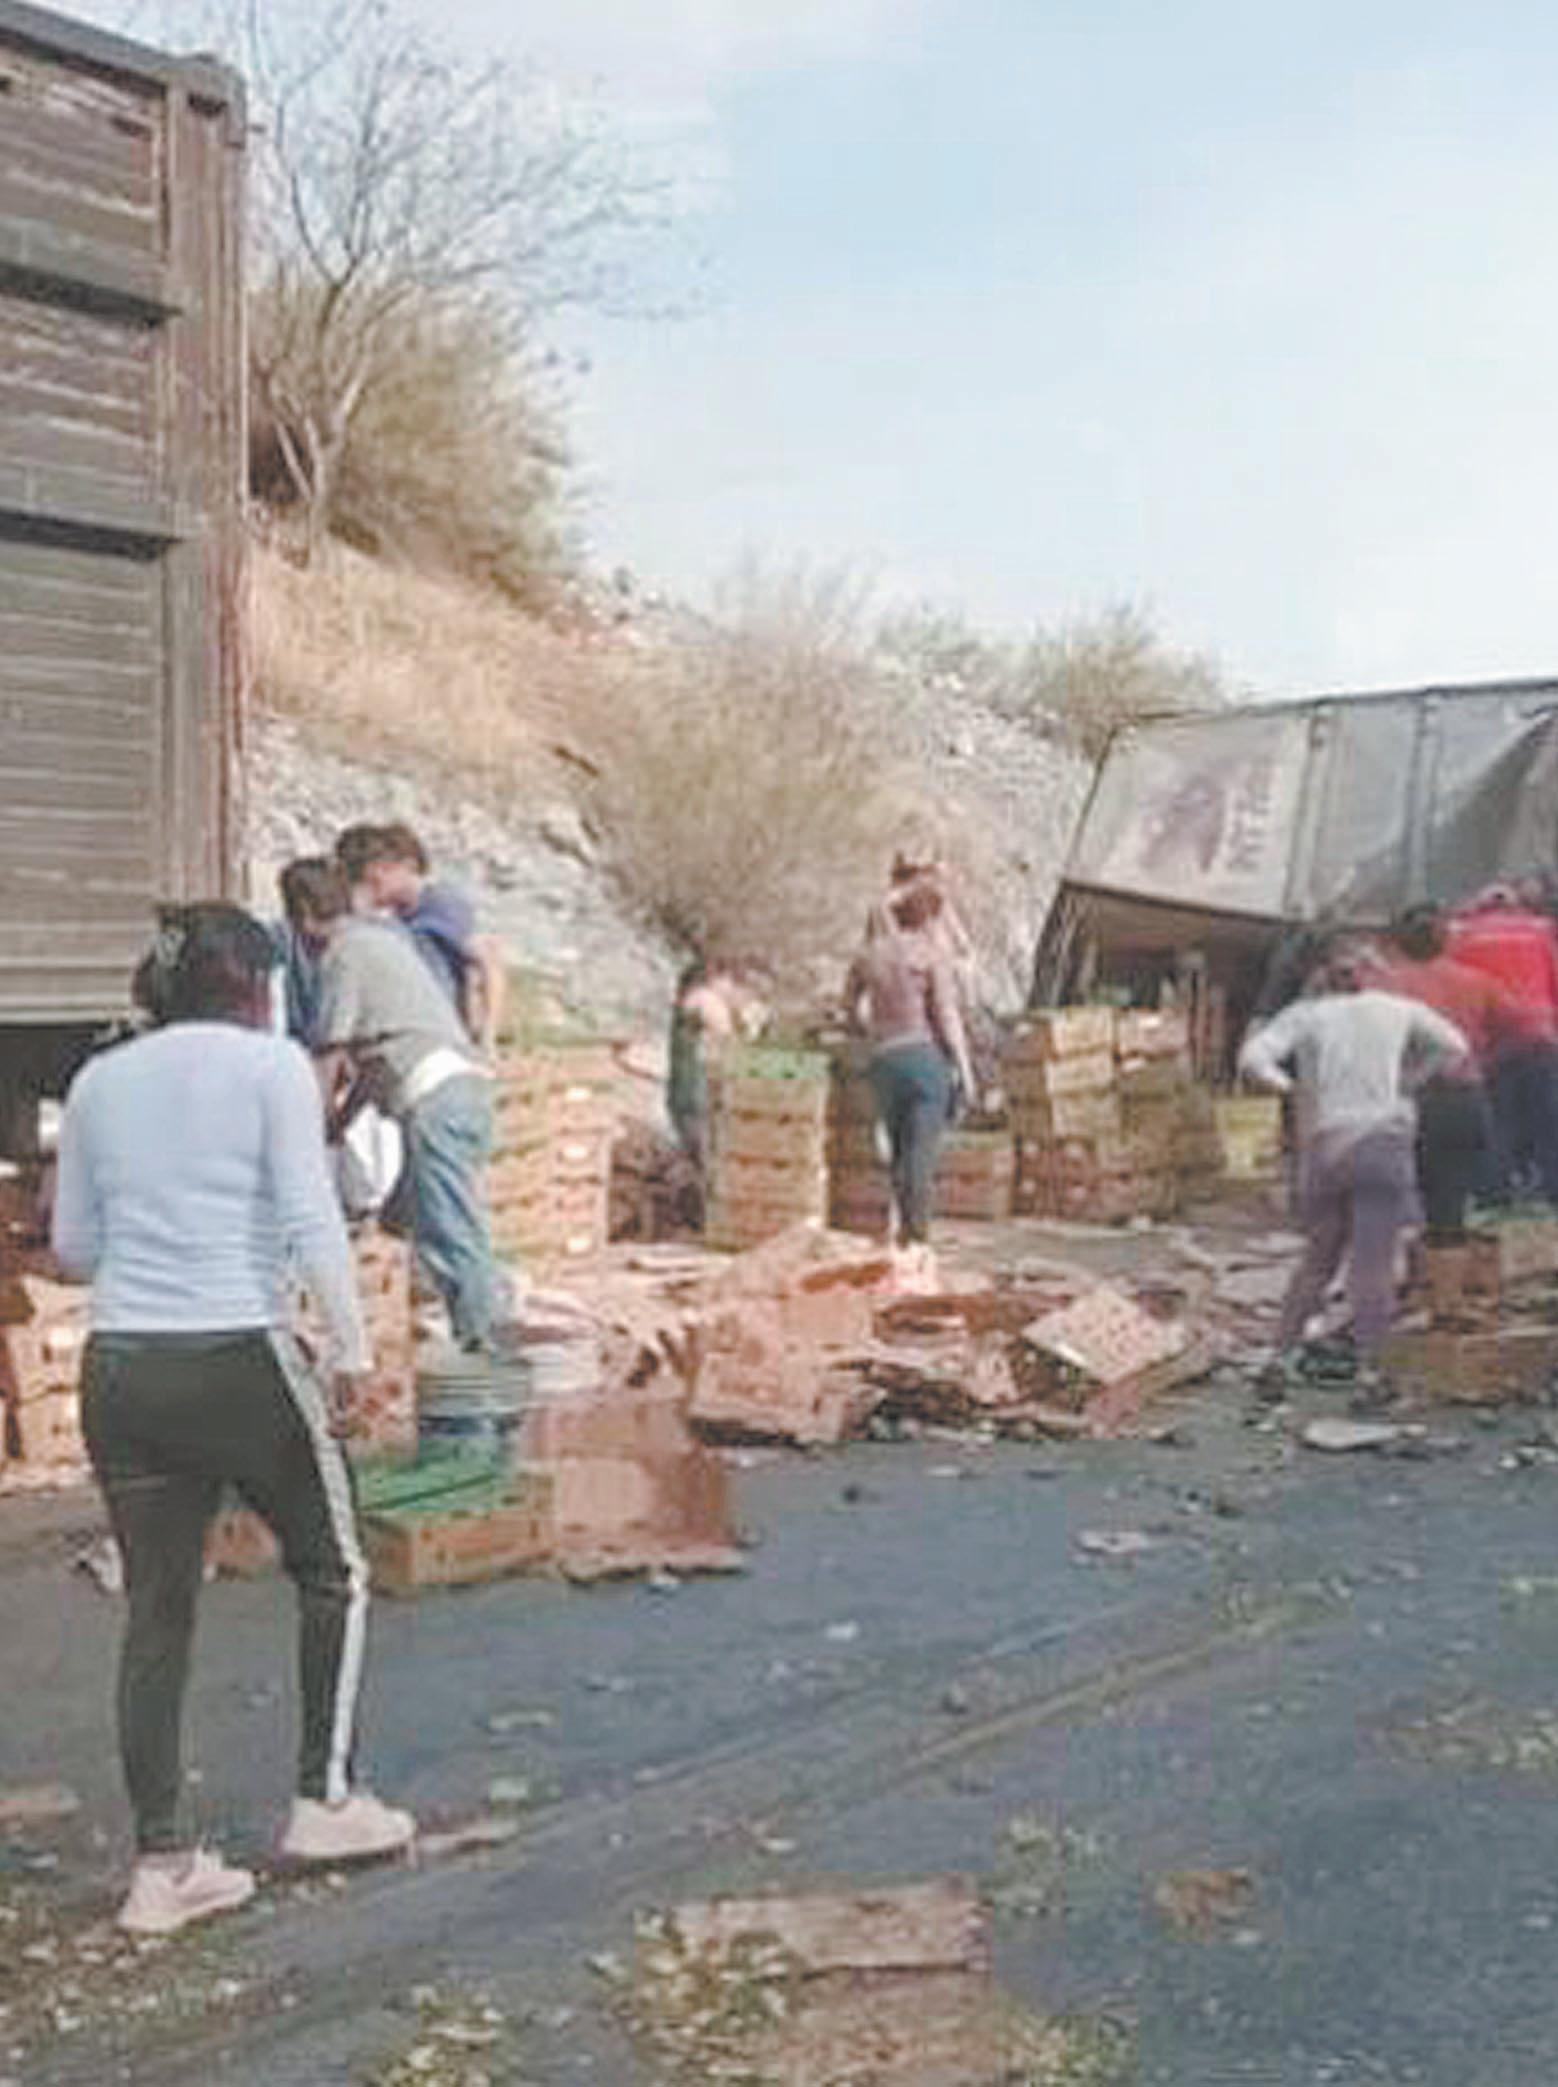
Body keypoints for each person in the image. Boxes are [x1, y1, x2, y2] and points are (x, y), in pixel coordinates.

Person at [53, 903, 414, 1936]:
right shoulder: (272, 1069)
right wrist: (352, 1351)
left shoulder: (98, 1081)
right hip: (238, 1350)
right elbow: (310, 1218)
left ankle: (163, 1864)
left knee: (157, 1610)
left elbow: (75, 1246)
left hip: (122, 1367)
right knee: (334, 1565)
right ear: (257, 987)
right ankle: (325, 1799)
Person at [281, 858, 506, 1353]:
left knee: (449, 1231)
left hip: (436, 1102)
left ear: (303, 915)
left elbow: (330, 1057)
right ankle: (453, 1313)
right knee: (400, 1220)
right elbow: (372, 1065)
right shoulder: (379, 943)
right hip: (458, 1092)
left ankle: (485, 1346)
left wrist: (307, 1136)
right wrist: (339, 1124)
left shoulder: (344, 955)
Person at [1238, 943, 1469, 1407]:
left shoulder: (1306, 1015)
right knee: (1373, 1264)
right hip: (1382, 1143)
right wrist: (1412, 1079)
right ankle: (1371, 1372)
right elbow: (1455, 1046)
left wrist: (1291, 1087)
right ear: (1371, 974)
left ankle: (1278, 1359)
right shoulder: (1398, 1009)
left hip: (1325, 1146)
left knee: (1317, 1260)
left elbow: (1252, 1059)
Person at [1375, 904, 1532, 1236]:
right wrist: (1486, 1054)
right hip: (1463, 1098)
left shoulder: (1385, 987)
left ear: (1399, 942)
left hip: (1405, 1101)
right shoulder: (1476, 982)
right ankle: (1448, 1262)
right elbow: (1520, 1026)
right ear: (1446, 941)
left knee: (1399, 1205)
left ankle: (1417, 1261)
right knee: (1452, 1204)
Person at [845, 882, 976, 1262]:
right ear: (929, 918)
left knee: (900, 1149)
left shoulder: (869, 955)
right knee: (921, 1153)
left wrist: (869, 1031)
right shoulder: (931, 954)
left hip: (884, 1059)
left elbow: (848, 1007)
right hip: (922, 1056)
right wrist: (965, 1070)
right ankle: (916, 1240)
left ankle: (903, 1237)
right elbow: (947, 1016)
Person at [334, 822, 507, 1053]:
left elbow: (487, 964)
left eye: (378, 881)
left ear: (406, 867)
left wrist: (486, 1037)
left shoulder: (440, 904)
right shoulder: (395, 917)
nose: (373, 890)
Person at [1448, 883, 1558, 1203]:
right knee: (1547, 1116)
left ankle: (1497, 1194)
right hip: (1539, 1032)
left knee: (1497, 1118)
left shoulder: (1462, 935)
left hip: (1493, 1038)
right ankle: (1552, 1191)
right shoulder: (1539, 930)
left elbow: (1458, 987)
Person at [666, 956, 766, 1222]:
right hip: (695, 1093)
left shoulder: (691, 1001)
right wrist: (749, 1026)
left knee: (699, 1152)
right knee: (707, 1155)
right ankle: (702, 1214)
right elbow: (727, 1039)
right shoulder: (704, 1000)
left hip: (687, 1092)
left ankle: (692, 1210)